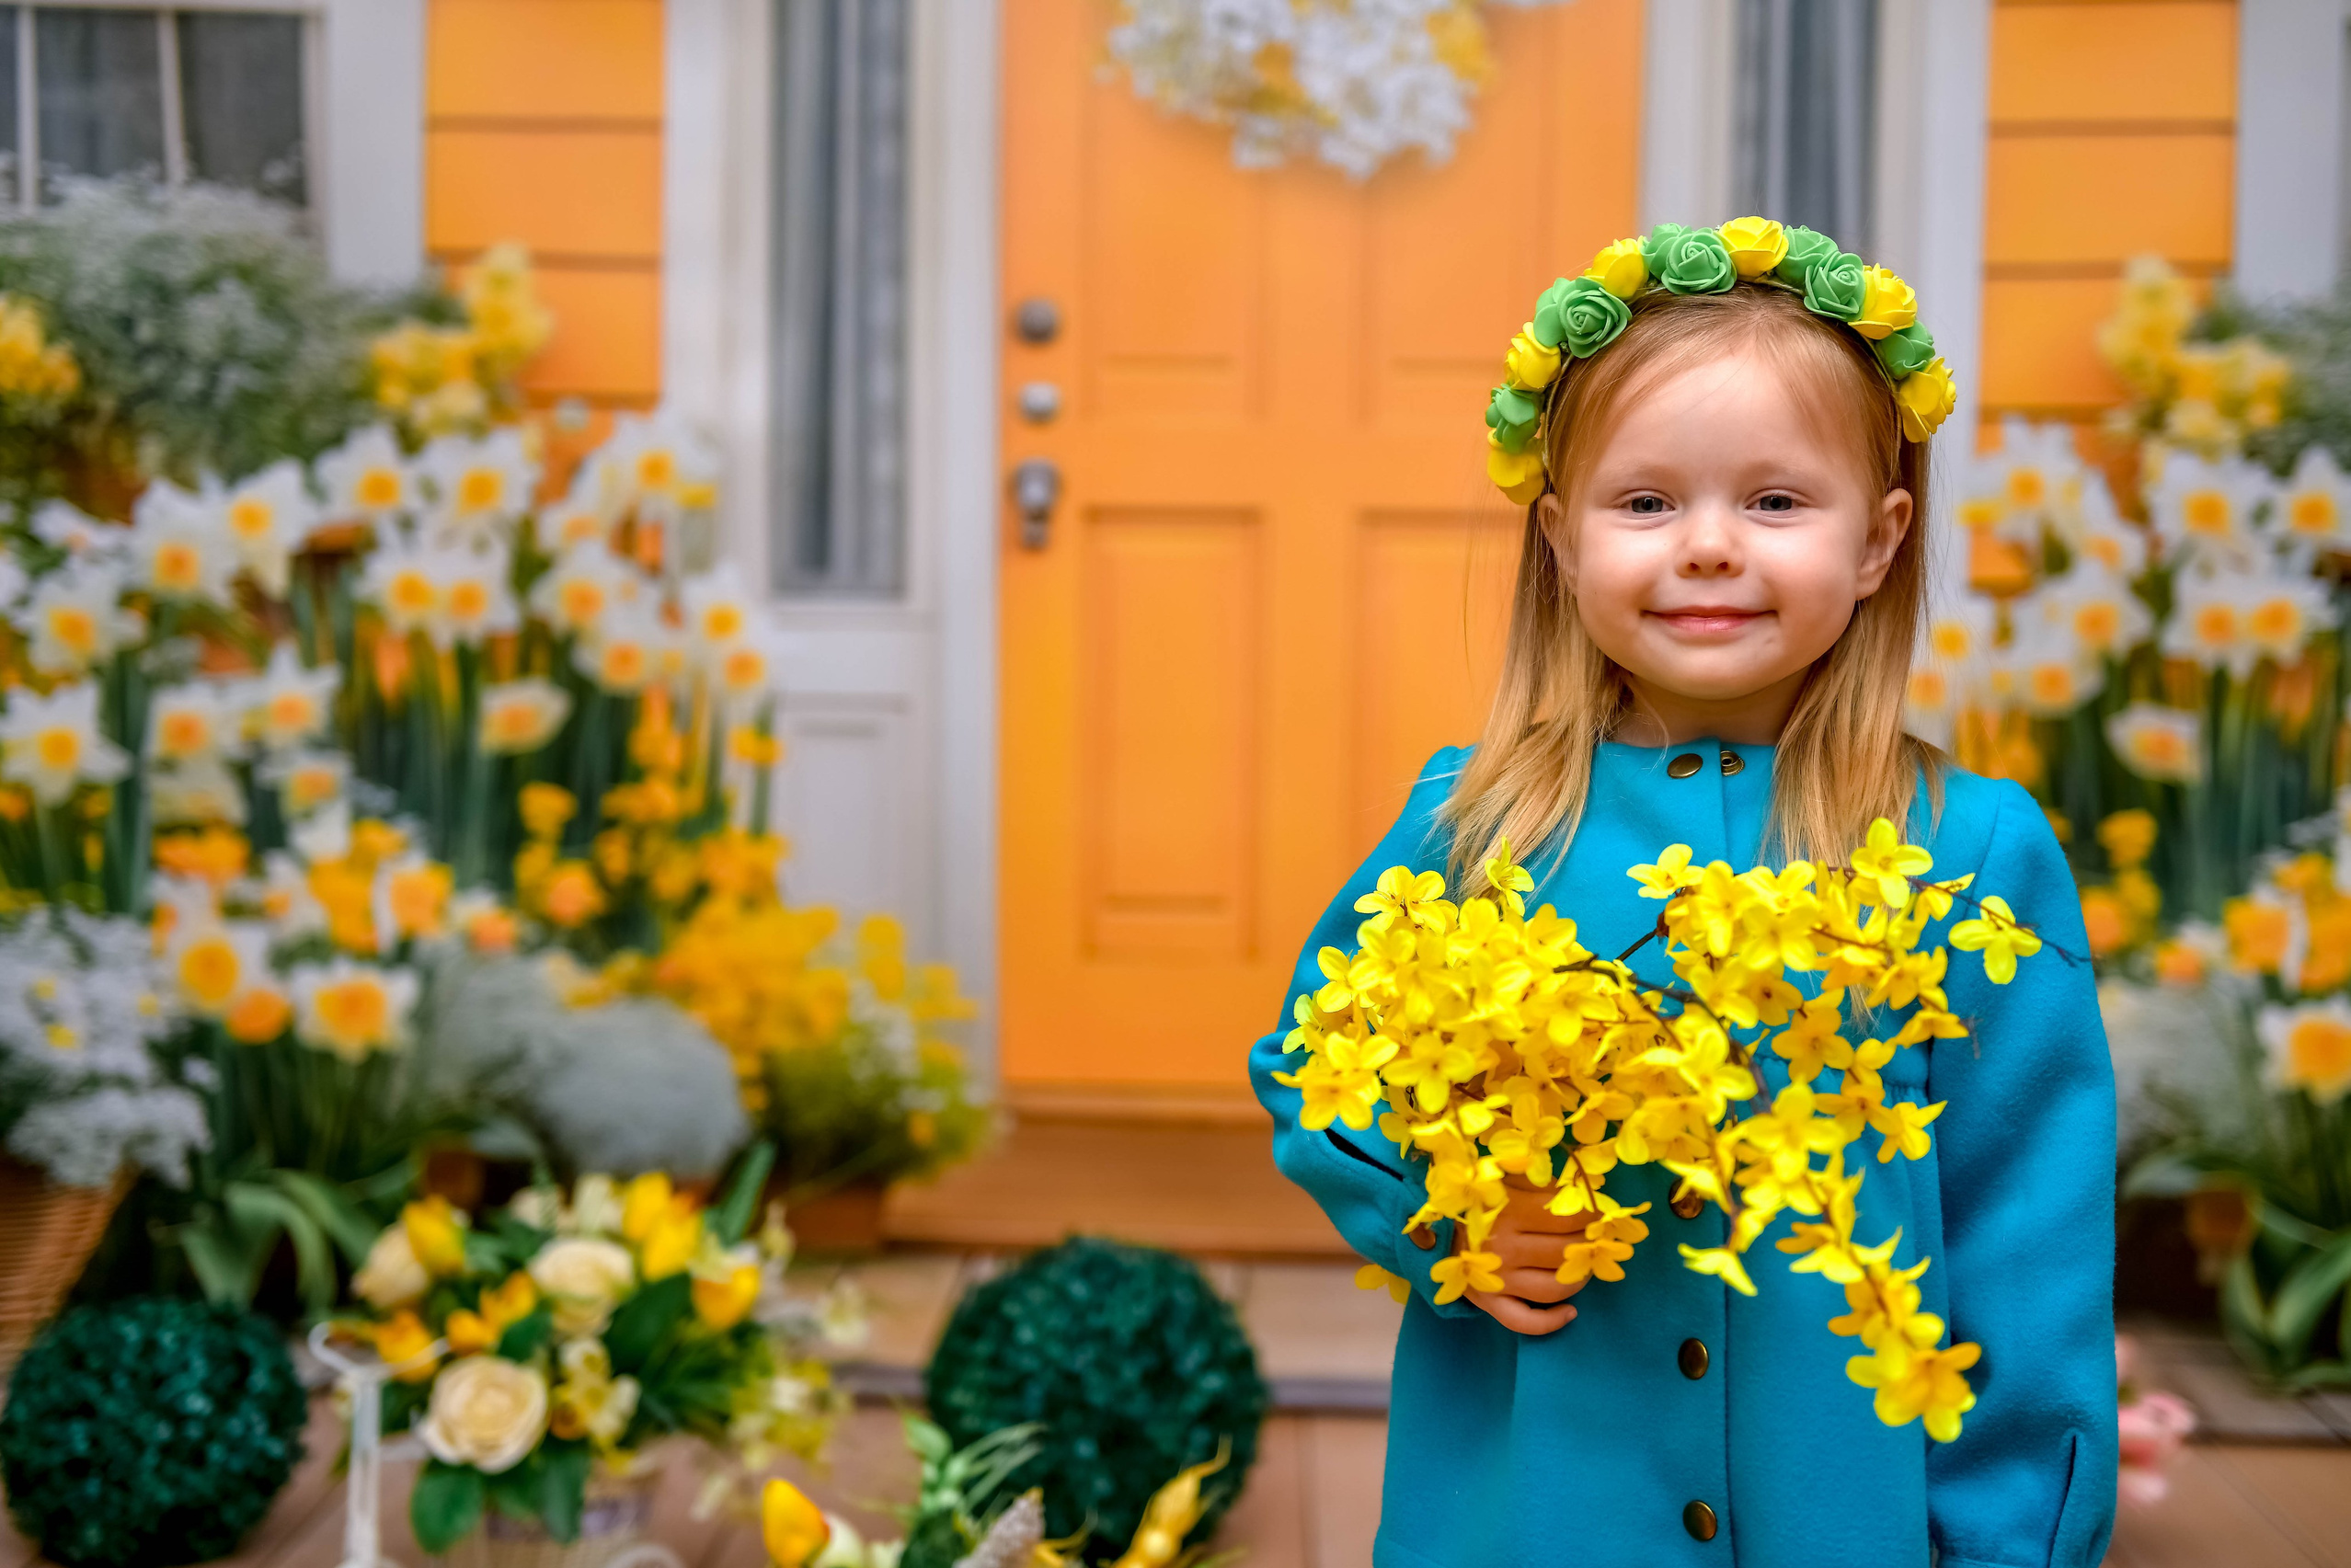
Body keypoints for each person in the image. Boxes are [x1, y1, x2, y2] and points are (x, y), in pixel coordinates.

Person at [1248, 220, 2117, 1568]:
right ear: (1558, 537)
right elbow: (1319, 1070)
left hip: (1840, 1514)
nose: (1708, 546)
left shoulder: (1971, 853)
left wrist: (2011, 1546)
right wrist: (1449, 1217)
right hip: (1536, 1511)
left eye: (1775, 502)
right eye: (1647, 503)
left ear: (1880, 540)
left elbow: (2028, 1248)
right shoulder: (1482, 821)